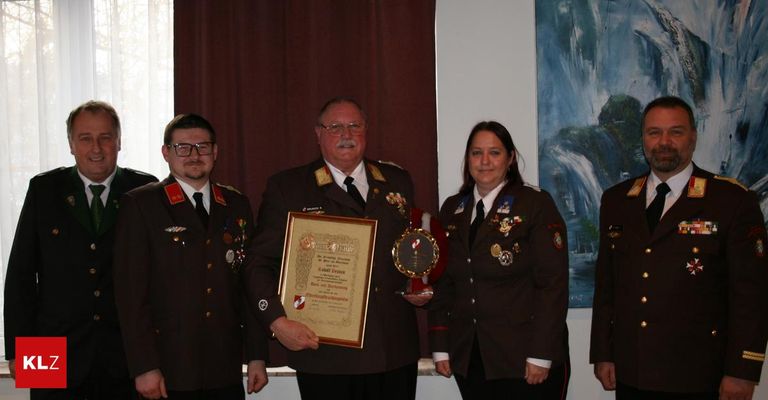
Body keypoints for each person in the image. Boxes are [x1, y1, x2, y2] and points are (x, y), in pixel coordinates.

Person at [245, 97, 424, 400]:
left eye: (355, 126)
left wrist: (421, 284)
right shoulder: (289, 187)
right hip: (325, 353)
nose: (347, 134)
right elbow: (258, 263)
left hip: (393, 351)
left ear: (366, 130)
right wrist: (276, 320)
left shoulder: (396, 180)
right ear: (318, 133)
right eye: (335, 127)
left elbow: (410, 250)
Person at [590, 96, 768, 399]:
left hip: (699, 373)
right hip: (634, 370)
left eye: (676, 132)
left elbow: (751, 295)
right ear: (643, 138)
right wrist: (604, 352)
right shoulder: (617, 200)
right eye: (654, 132)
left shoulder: (731, 201)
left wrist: (742, 371)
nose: (664, 142)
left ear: (694, 137)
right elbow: (608, 285)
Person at [3, 100, 157, 399]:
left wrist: (154, 355)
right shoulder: (44, 189)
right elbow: (21, 275)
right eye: (85, 138)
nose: (96, 148)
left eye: (105, 137)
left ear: (119, 141)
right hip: (50, 351)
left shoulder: (144, 189)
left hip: (126, 354)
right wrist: (18, 351)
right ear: (71, 144)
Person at [112, 114, 268, 399]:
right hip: (168, 366)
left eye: (203, 146)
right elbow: (130, 296)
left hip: (224, 363)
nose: (194, 155)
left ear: (215, 152)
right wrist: (144, 366)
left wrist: (256, 355)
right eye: (183, 147)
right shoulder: (141, 204)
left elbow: (248, 283)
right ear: (166, 153)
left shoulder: (236, 204)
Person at [427, 121, 570, 399]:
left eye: (494, 152)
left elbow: (552, 284)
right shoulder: (452, 209)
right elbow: (444, 282)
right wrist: (441, 345)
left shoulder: (534, 204)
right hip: (472, 357)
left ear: (511, 158)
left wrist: (541, 354)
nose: (484, 161)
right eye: (476, 153)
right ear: (467, 158)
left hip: (524, 356)